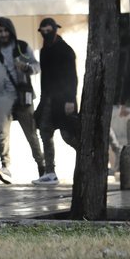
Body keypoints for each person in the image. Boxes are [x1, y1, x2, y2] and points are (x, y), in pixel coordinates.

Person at [0, 17, 45, 184]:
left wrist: (26, 67)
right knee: (2, 134)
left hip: (23, 98)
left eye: (5, 30)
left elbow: (37, 67)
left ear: (11, 31)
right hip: (2, 98)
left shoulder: (22, 47)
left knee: (32, 135)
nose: (3, 34)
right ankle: (5, 167)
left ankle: (42, 167)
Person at [33, 18, 79, 185]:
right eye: (43, 31)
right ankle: (50, 172)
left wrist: (70, 99)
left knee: (69, 135)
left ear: (55, 30)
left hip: (64, 100)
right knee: (45, 131)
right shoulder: (44, 51)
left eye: (48, 30)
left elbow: (72, 77)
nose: (46, 33)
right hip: (48, 99)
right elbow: (45, 78)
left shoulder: (65, 50)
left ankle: (86, 161)